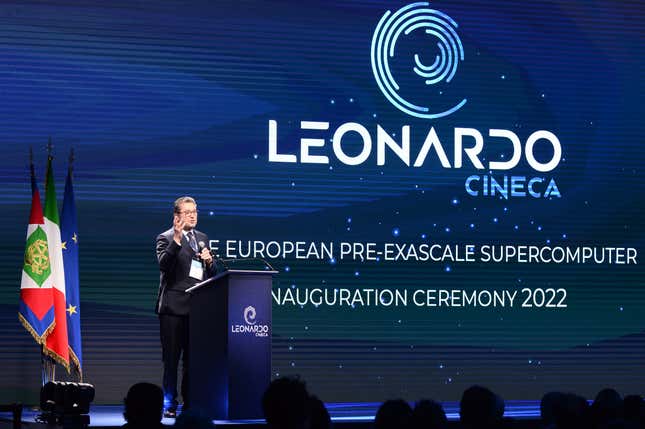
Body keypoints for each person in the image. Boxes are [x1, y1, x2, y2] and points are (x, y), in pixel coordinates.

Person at [156, 196, 214, 418]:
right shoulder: (165, 237)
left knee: (192, 361)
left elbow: (211, 274)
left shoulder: (202, 238)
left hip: (196, 310)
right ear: (176, 217)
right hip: (172, 310)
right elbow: (164, 266)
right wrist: (177, 240)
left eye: (195, 211)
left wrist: (210, 262)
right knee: (171, 360)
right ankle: (170, 404)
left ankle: (190, 403)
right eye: (188, 211)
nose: (193, 215)